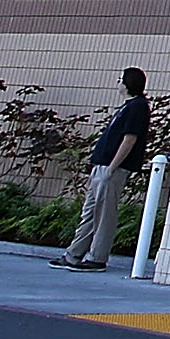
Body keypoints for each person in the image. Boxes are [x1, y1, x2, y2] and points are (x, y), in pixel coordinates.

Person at [50, 68, 150, 271]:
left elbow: (130, 139)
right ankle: (73, 254)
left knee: (104, 214)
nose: (118, 83)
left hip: (113, 168)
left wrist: (112, 167)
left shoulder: (138, 107)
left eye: (120, 79)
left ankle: (98, 258)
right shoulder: (127, 106)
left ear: (128, 83)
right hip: (102, 166)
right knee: (89, 212)